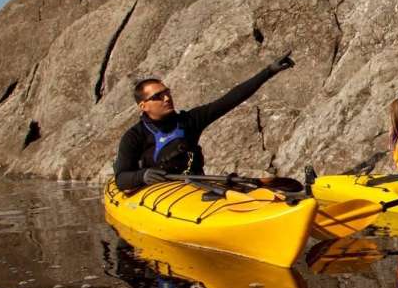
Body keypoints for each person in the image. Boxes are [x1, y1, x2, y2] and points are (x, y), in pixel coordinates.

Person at [113, 52, 295, 191]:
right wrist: (143, 175)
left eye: (167, 92)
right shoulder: (134, 137)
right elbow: (121, 179)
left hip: (195, 187)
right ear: (143, 106)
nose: (167, 98)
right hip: (158, 194)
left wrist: (268, 71)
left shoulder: (190, 121)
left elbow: (230, 99)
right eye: (158, 96)